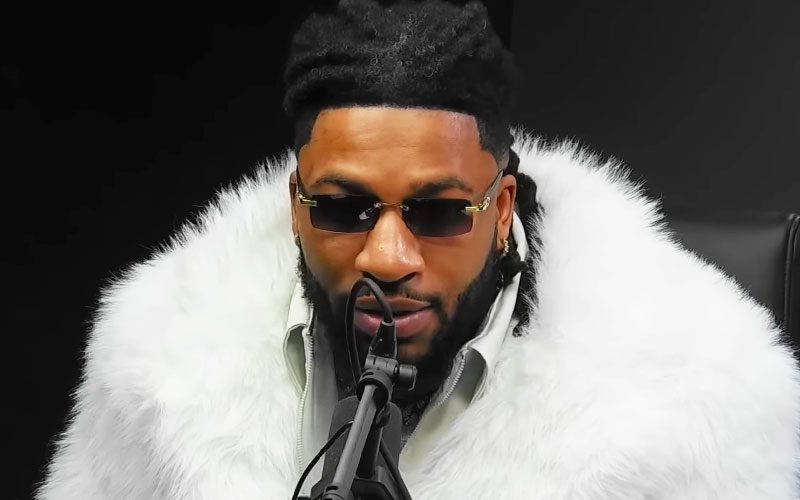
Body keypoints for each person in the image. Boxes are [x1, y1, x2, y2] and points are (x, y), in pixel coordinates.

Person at [38, 1, 799, 499]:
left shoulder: (704, 400)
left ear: (502, 210)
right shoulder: (153, 370)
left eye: (437, 213)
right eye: (344, 209)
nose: (388, 257)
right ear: (296, 208)